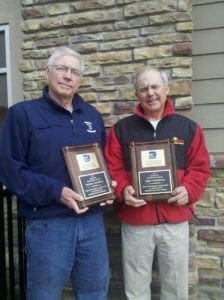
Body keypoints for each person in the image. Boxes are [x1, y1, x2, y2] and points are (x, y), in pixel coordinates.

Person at [0, 46, 113, 300]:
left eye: (74, 71)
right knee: (45, 295)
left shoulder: (92, 116)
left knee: (95, 292)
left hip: (92, 221)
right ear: (47, 73)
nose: (67, 76)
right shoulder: (23, 114)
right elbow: (10, 169)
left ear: (80, 79)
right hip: (49, 224)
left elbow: (100, 163)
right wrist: (56, 191)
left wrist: (106, 188)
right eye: (61, 68)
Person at [105, 66, 210, 300]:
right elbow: (113, 167)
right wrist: (123, 189)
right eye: (143, 88)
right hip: (136, 220)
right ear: (136, 94)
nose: (150, 93)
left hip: (174, 221)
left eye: (155, 86)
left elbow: (200, 168)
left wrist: (189, 189)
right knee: (135, 287)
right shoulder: (122, 129)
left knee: (175, 286)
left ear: (166, 89)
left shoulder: (188, 128)